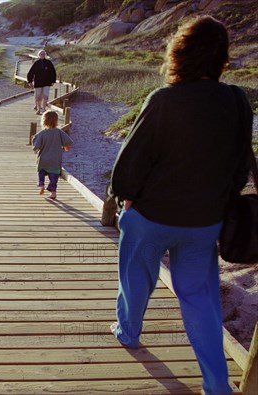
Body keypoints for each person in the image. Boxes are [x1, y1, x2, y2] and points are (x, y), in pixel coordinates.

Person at [108, 16, 252, 395]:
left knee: (136, 281)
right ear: (222, 57)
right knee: (200, 298)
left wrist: (126, 198)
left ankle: (129, 333)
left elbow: (132, 161)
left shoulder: (164, 100)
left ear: (180, 52)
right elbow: (240, 165)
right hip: (204, 222)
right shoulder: (238, 100)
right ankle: (217, 384)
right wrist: (217, 203)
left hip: (151, 217)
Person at [32, 111, 73, 200]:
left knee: (41, 172)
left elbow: (36, 146)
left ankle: (41, 185)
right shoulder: (59, 132)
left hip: (43, 159)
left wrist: (35, 149)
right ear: (56, 121)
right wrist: (65, 147)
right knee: (53, 176)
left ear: (44, 121)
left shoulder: (42, 133)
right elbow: (67, 143)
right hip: (55, 160)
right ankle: (53, 193)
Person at [27, 50, 57, 115]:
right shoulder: (36, 63)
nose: (43, 55)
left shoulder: (49, 62)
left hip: (47, 82)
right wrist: (30, 81)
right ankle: (38, 109)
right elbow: (31, 72)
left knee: (45, 95)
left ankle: (43, 109)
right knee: (38, 96)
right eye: (41, 54)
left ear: (45, 55)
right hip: (38, 82)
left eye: (44, 54)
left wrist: (53, 81)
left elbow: (53, 72)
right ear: (39, 55)